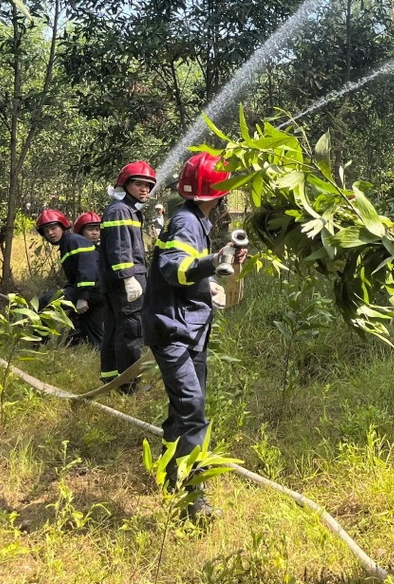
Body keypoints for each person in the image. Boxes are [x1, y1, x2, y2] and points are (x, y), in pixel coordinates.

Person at [142, 151, 246, 521]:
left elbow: (187, 274)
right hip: (173, 332)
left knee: (183, 408)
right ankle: (192, 495)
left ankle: (171, 476)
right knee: (192, 410)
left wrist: (215, 273)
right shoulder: (186, 222)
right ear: (216, 194)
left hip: (190, 328)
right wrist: (210, 262)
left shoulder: (195, 221)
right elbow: (173, 269)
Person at [99, 161, 156, 390]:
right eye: (139, 184)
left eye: (148, 185)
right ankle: (130, 384)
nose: (144, 189)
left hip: (118, 283)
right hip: (126, 284)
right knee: (131, 332)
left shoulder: (125, 209)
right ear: (126, 184)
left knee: (114, 330)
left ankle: (111, 378)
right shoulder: (121, 210)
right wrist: (128, 278)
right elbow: (120, 248)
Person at [35, 208, 104, 347]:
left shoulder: (73, 240)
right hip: (99, 291)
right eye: (46, 231)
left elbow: (87, 268)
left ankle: (37, 344)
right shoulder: (69, 242)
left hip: (92, 291)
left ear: (62, 226)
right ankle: (99, 356)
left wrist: (83, 297)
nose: (50, 233)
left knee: (46, 301)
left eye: (53, 228)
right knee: (92, 334)